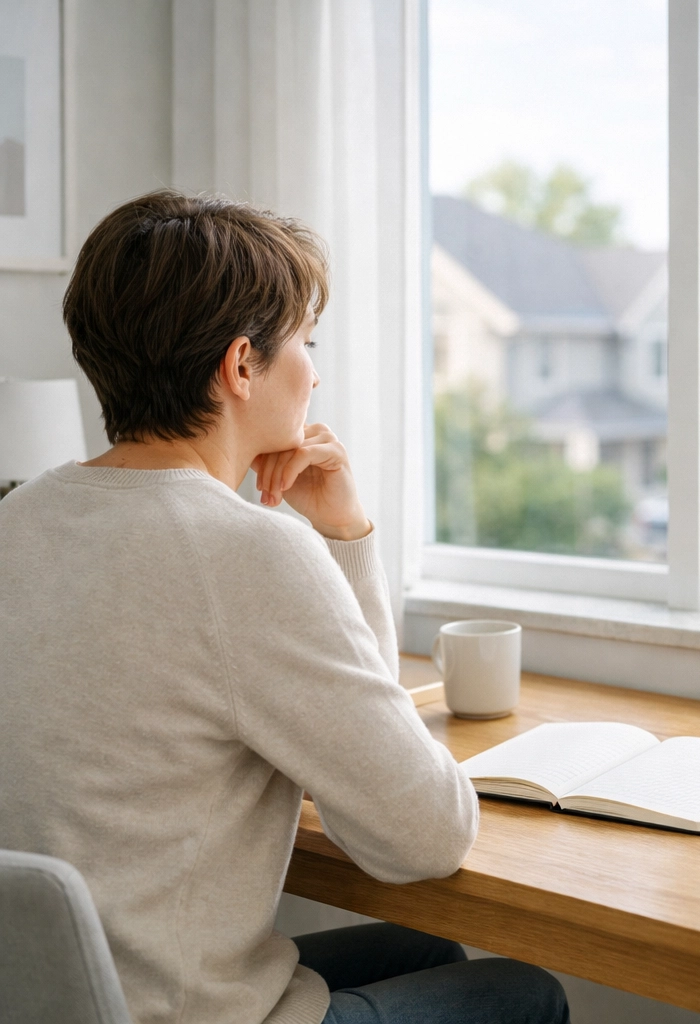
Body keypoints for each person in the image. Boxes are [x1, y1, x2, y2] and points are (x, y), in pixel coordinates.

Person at [0, 190, 569, 1024]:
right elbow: (421, 836)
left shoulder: (19, 515)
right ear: (240, 366)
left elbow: (361, 749)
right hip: (176, 1013)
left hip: (47, 992)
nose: (314, 367)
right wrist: (338, 538)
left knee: (422, 954)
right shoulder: (242, 549)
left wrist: (338, 531)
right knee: (524, 994)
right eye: (305, 341)